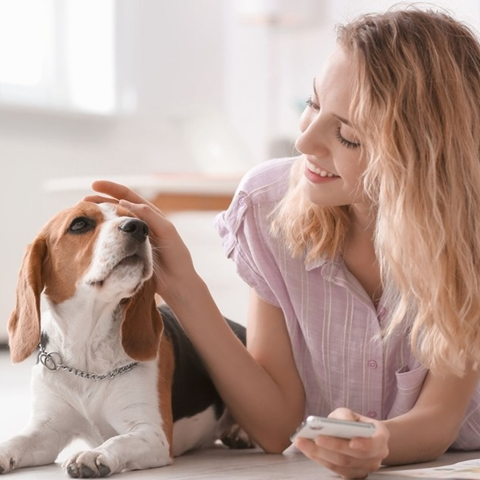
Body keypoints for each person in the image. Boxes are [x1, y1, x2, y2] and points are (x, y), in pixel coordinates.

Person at [84, 7, 480, 479]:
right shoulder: (269, 205)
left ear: (420, 158)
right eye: (312, 105)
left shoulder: (466, 235)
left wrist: (382, 443)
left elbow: (438, 420)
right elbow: (275, 427)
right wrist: (182, 283)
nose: (307, 141)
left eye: (349, 136)